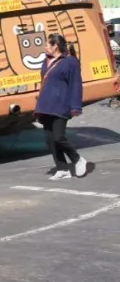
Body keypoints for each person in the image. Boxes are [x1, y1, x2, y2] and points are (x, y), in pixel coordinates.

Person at [35, 33, 90, 180]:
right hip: (46, 105)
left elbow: (76, 84)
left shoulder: (70, 62)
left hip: (61, 105)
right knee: (49, 138)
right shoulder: (46, 62)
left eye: (48, 44)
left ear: (55, 46)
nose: (45, 47)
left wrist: (75, 106)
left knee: (59, 136)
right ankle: (62, 168)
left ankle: (78, 159)